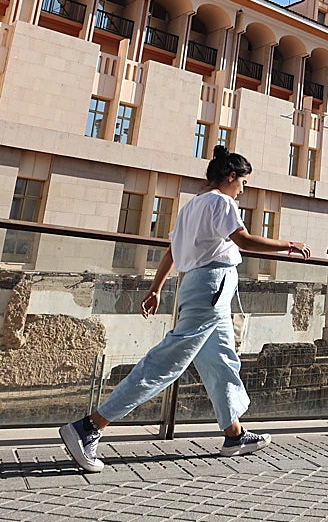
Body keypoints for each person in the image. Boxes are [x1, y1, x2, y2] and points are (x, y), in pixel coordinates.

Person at [59, 147, 311, 472]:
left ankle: (234, 435)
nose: (243, 190)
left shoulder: (192, 205)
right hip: (211, 287)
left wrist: (155, 289)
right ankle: (89, 427)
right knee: (167, 361)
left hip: (200, 286)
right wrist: (290, 245)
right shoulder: (221, 202)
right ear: (231, 176)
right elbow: (244, 240)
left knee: (221, 360)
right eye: (243, 182)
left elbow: (171, 252)